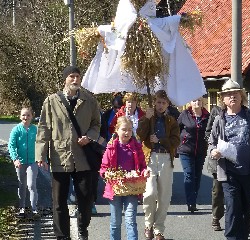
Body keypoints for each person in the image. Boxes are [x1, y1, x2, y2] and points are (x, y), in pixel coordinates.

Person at [35, 66, 101, 240]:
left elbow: (96, 124)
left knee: (86, 199)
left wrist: (90, 136)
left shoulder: (90, 100)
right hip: (60, 156)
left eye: (78, 77)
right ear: (65, 79)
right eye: (71, 76)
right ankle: (62, 235)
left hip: (83, 158)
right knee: (58, 202)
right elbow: (43, 129)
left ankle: (82, 227)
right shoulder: (51, 101)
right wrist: (40, 155)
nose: (75, 80)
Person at [207, 79, 250, 240]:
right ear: (223, 99)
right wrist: (213, 151)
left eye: (235, 93)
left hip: (248, 172)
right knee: (232, 208)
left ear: (241, 96)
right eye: (228, 94)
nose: (232, 96)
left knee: (246, 209)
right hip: (228, 173)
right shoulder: (219, 119)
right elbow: (211, 142)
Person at [136, 90, 180, 240]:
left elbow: (176, 141)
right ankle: (148, 224)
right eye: (158, 102)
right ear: (154, 102)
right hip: (150, 158)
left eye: (163, 102)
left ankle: (158, 229)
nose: (160, 105)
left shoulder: (171, 121)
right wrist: (145, 119)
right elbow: (139, 136)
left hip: (166, 158)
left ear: (167, 104)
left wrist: (160, 140)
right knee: (149, 193)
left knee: (164, 196)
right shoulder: (149, 117)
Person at [100, 116, 149, 240]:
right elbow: (103, 168)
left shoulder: (137, 148)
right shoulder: (111, 147)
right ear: (117, 130)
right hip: (115, 189)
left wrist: (145, 172)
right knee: (115, 222)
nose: (127, 132)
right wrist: (106, 174)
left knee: (130, 220)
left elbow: (143, 166)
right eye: (124, 129)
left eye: (130, 130)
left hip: (132, 188)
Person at [177, 98, 209, 213]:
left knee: (197, 176)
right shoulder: (184, 114)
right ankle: (191, 202)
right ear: (190, 103)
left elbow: (210, 131)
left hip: (200, 151)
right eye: (194, 100)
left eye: (199, 100)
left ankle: (193, 197)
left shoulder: (207, 116)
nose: (197, 102)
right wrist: (179, 142)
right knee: (189, 174)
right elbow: (177, 129)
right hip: (186, 150)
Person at [8, 107, 39, 219]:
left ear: (32, 116)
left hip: (32, 161)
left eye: (28, 115)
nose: (25, 117)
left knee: (31, 185)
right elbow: (11, 146)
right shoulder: (16, 130)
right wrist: (15, 158)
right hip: (20, 162)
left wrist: (42, 159)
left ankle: (34, 209)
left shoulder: (35, 129)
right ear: (20, 116)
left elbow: (40, 145)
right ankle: (22, 208)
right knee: (22, 185)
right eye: (23, 115)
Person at [205, 105, 224, 231]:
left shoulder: (243, 115)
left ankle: (236, 219)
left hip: (236, 162)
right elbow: (208, 133)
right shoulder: (216, 113)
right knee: (217, 191)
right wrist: (214, 148)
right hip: (218, 160)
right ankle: (216, 218)